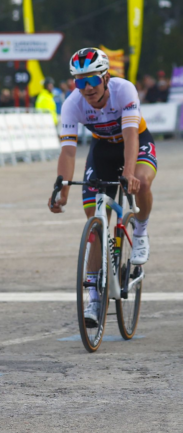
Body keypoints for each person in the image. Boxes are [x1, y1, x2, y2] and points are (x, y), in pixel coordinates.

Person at [49, 47, 156, 327]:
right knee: (95, 221)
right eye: (79, 81)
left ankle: (141, 231)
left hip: (135, 142)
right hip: (102, 151)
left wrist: (130, 173)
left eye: (92, 80)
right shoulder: (73, 103)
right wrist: (63, 191)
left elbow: (131, 136)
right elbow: (69, 152)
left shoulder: (124, 90)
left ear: (105, 77)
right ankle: (95, 297)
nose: (86, 88)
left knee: (142, 182)